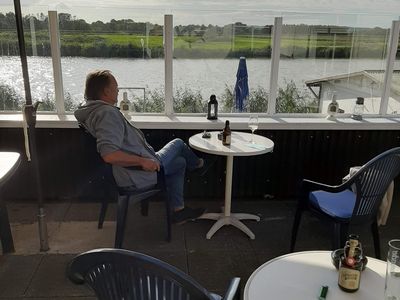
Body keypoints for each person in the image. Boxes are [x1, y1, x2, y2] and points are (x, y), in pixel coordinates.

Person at [75, 70, 206, 224]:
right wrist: (143, 161)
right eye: (116, 87)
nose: (118, 91)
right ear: (106, 91)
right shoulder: (107, 114)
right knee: (178, 143)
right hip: (136, 174)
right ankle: (199, 165)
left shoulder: (92, 112)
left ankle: (179, 211)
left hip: (126, 171)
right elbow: (109, 155)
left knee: (180, 163)